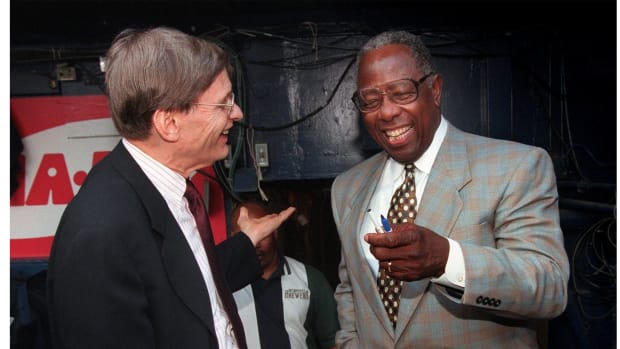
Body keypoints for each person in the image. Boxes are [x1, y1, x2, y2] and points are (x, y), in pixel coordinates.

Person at [46, 27, 295, 349]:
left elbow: (180, 286)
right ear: (169, 124)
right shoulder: (100, 232)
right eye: (223, 104)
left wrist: (245, 243)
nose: (237, 114)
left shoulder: (166, 190)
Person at [330, 30, 570, 348]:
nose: (386, 112)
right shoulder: (346, 188)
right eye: (370, 101)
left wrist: (446, 260)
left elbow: (550, 289)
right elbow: (352, 290)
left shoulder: (516, 166)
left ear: (436, 89)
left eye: (401, 93)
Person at [230, 201, 339, 349]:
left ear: (275, 232)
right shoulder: (222, 285)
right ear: (232, 239)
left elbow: (333, 342)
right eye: (245, 236)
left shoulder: (310, 279)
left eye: (262, 233)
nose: (254, 243)